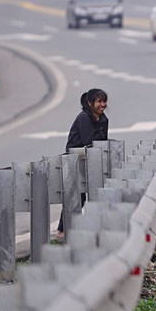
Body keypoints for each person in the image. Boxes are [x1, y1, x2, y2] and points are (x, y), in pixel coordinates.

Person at [56, 88, 110, 241]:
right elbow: (89, 141)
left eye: (104, 101)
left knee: (90, 195)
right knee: (76, 196)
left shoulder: (103, 118)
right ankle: (62, 231)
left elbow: (102, 142)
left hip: (90, 160)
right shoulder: (84, 118)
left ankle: (81, 228)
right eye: (99, 101)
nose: (103, 105)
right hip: (75, 160)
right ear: (90, 103)